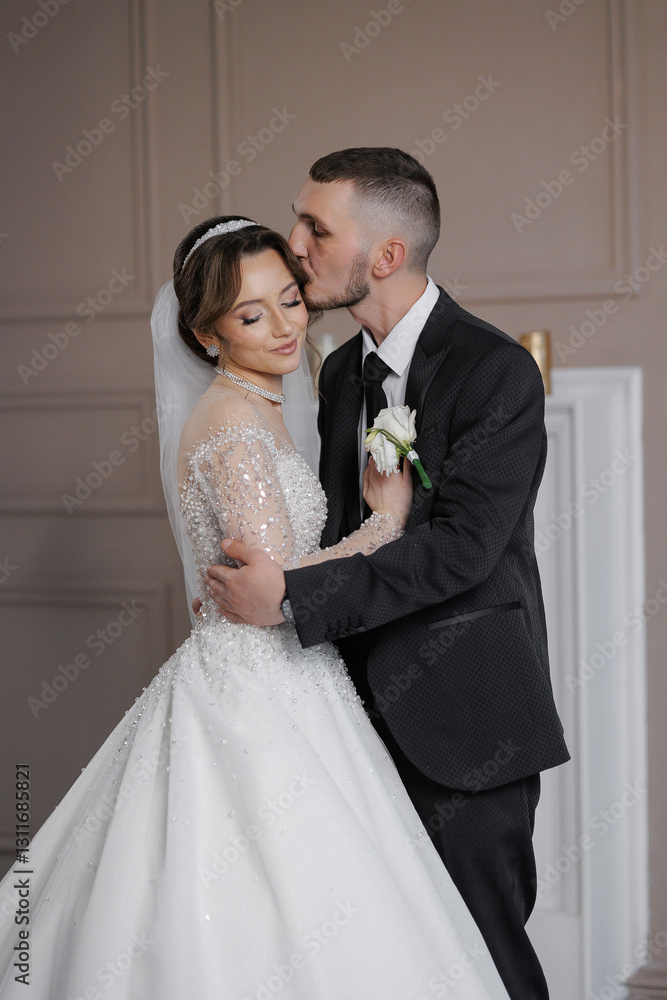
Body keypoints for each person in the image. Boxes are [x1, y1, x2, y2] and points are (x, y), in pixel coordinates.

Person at [0, 216, 511, 1000]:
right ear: (207, 334)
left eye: (290, 300)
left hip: (287, 672)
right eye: (249, 314)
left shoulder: (266, 401)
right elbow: (272, 585)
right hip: (259, 683)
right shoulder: (234, 427)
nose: (282, 326)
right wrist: (383, 525)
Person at [204, 148, 572, 1000]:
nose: (292, 243)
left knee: (486, 961)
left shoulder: (494, 372)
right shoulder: (338, 372)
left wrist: (289, 598)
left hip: (468, 727)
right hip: (344, 721)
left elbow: (462, 552)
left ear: (386, 256)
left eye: (315, 228)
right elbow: (345, 529)